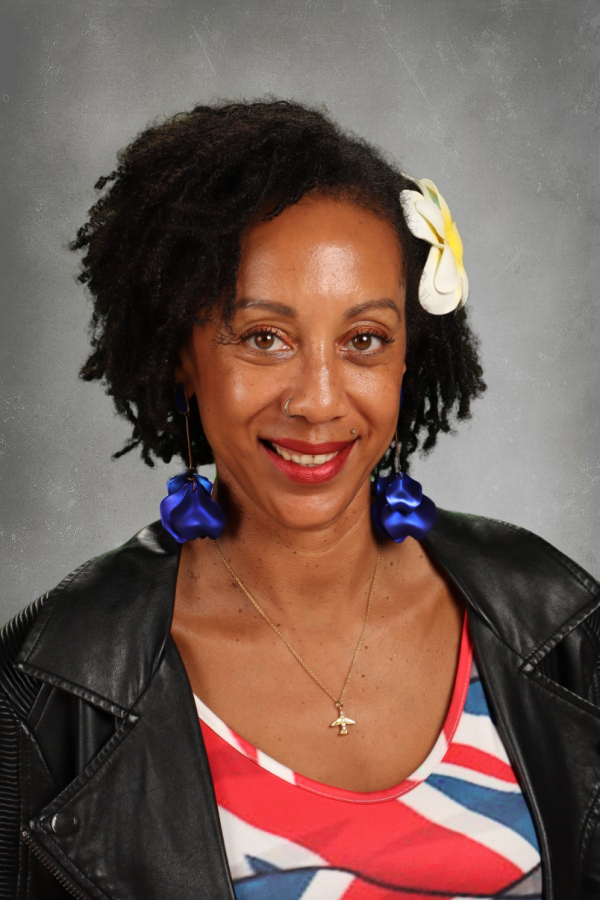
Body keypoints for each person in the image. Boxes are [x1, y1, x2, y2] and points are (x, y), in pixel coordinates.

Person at [1, 100, 598, 900]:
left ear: (407, 359)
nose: (319, 400)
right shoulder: (50, 689)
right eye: (264, 337)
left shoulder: (555, 617)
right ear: (182, 355)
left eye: (363, 341)